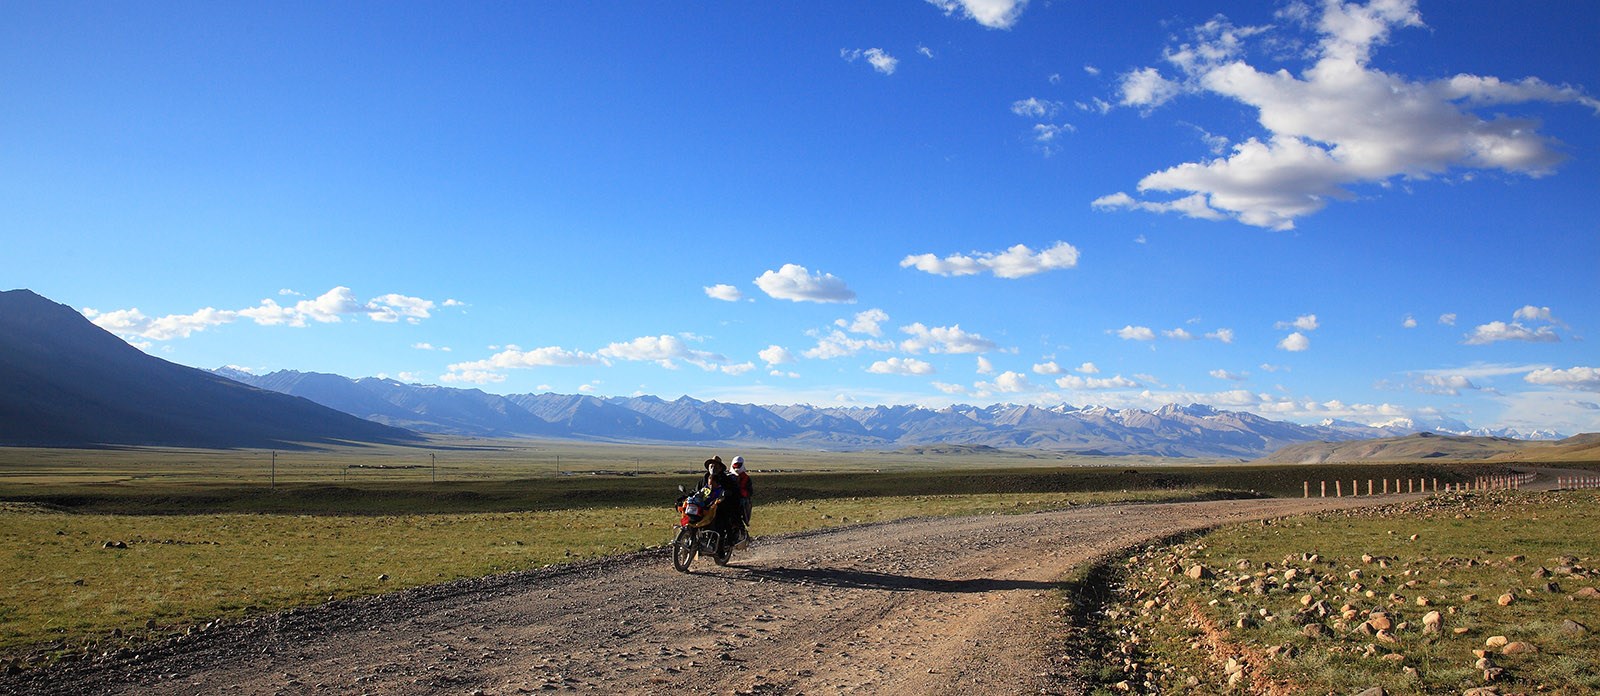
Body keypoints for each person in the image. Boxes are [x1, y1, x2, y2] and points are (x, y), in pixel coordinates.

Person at [730, 456, 753, 528]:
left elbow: (750, 492)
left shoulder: (746, 478)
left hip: (741, 499)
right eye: (735, 465)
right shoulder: (728, 477)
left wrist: (741, 492)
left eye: (739, 465)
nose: (737, 467)